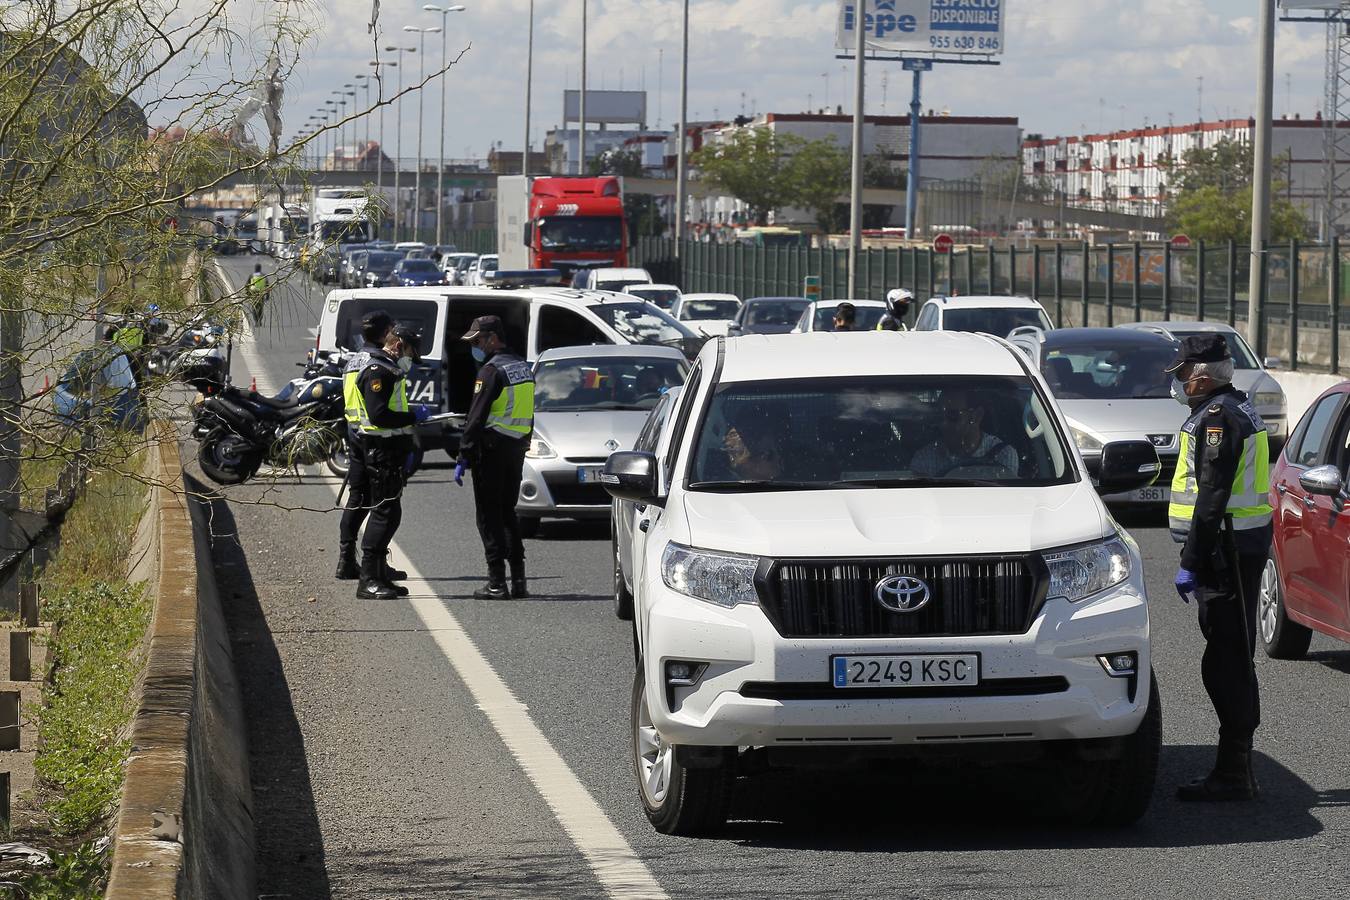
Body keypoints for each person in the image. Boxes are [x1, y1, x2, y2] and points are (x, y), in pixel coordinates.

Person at [1166, 333, 1272, 802]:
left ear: (1202, 376)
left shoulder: (1218, 418)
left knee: (1227, 659)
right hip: (1234, 548)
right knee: (1231, 654)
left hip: (1224, 552)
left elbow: (1211, 497)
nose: (1179, 382)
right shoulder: (1235, 407)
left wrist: (1191, 560)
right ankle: (1236, 767)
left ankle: (1234, 772)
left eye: (1183, 373)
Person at [457, 315, 535, 600]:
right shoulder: (523, 368)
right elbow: (529, 413)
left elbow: (475, 417)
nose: (475, 346)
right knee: (508, 514)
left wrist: (463, 454)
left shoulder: (490, 372)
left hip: (490, 451)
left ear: (492, 338)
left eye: (478, 341)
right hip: (515, 450)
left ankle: (495, 583)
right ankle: (519, 580)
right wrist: (524, 442)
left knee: (489, 517)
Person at [349, 324, 430, 599]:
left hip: (390, 450)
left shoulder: (389, 370)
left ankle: (381, 575)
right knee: (383, 514)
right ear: (398, 346)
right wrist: (412, 417)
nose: (410, 358)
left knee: (391, 514)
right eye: (409, 351)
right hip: (380, 450)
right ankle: (368, 580)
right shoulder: (378, 371)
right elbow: (379, 415)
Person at [337, 309, 398, 583]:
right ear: (386, 333)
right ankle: (374, 567)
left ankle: (347, 560)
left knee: (357, 500)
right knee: (382, 506)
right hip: (373, 438)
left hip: (354, 436)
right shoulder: (376, 363)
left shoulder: (353, 361)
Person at [912, 389, 1018, 478]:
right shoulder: (925, 459)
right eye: (939, 415)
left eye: (952, 415)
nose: (943, 423)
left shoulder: (1002, 455)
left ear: (976, 416)